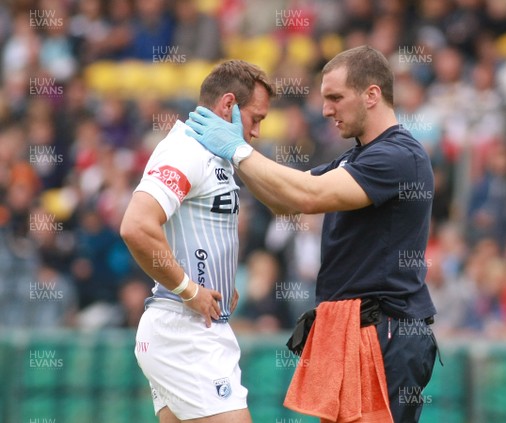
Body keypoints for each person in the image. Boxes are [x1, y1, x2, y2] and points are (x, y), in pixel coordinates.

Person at [186, 46, 439, 422]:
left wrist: (237, 150)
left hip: (383, 333)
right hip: (353, 329)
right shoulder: (356, 157)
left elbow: (307, 195)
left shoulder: (399, 156)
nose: (325, 110)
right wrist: (231, 155)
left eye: (335, 98)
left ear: (372, 95)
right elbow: (288, 198)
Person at [120, 60, 273, 423]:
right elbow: (136, 226)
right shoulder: (185, 149)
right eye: (256, 118)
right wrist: (190, 289)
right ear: (228, 105)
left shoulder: (215, 155)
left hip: (193, 328)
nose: (257, 132)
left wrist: (222, 280)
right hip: (182, 330)